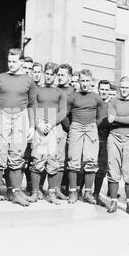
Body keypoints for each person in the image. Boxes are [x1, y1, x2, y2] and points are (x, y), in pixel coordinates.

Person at [0, 48, 36, 207]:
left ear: (21, 61)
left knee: (16, 155)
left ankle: (15, 193)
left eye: (15, 61)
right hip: (1, 116)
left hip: (20, 117)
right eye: (10, 61)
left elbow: (32, 104)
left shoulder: (29, 80)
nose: (11, 64)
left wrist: (32, 126)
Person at [29, 62, 68, 204]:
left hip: (54, 127)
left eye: (53, 74)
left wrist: (51, 123)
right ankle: (34, 192)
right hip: (39, 126)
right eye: (48, 73)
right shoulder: (37, 89)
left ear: (56, 75)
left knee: (53, 161)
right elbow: (32, 107)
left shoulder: (60, 92)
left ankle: (51, 193)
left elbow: (63, 111)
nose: (49, 77)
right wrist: (39, 123)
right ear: (44, 73)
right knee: (37, 160)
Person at [66, 69, 104, 204]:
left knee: (91, 160)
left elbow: (101, 116)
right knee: (73, 161)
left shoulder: (96, 97)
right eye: (82, 80)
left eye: (87, 81)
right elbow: (65, 114)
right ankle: (72, 192)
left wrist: (92, 126)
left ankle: (88, 192)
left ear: (92, 82)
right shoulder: (72, 96)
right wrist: (72, 127)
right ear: (79, 81)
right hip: (76, 127)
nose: (84, 83)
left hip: (91, 128)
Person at [106, 77, 129, 214]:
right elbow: (109, 120)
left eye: (126, 87)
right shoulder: (113, 101)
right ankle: (113, 203)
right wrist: (121, 120)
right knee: (113, 170)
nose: (124, 90)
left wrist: (115, 118)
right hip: (114, 137)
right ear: (119, 88)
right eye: (122, 87)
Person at [57, 64, 76, 200]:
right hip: (58, 127)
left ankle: (67, 188)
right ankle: (55, 188)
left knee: (69, 160)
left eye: (62, 75)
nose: (60, 77)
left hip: (71, 129)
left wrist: (71, 128)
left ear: (69, 77)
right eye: (59, 74)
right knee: (56, 159)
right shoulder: (55, 89)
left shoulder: (74, 92)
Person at [94, 79, 111, 202]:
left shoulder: (112, 105)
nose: (104, 92)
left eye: (106, 90)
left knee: (102, 167)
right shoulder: (94, 102)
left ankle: (96, 194)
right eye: (102, 89)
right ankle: (81, 191)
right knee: (87, 165)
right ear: (98, 89)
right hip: (92, 136)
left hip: (106, 139)